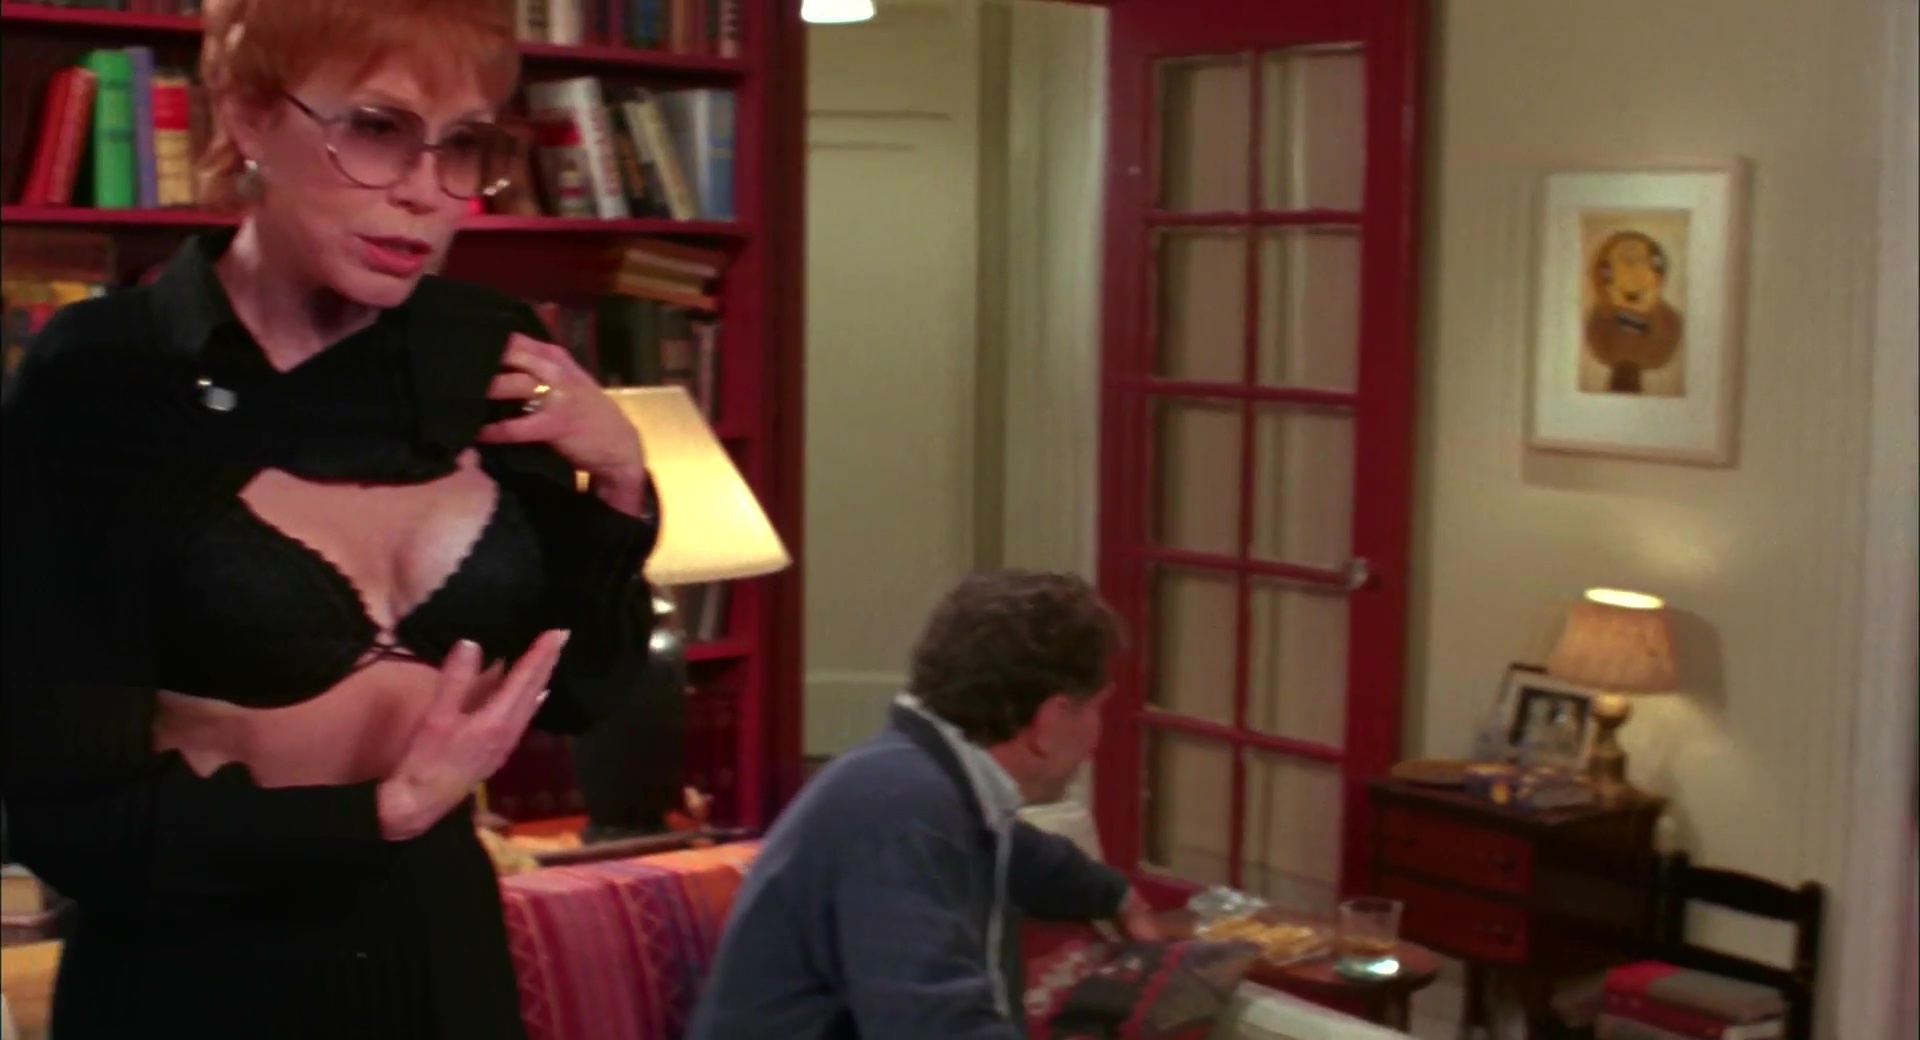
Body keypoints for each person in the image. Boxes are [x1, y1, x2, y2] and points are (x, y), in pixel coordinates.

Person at [0, 1, 659, 1036]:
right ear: (248, 116)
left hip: (443, 965)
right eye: (377, 127)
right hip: (195, 980)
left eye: (463, 145)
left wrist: (620, 483)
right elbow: (67, 815)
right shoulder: (102, 376)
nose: (425, 191)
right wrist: (380, 812)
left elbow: (581, 691)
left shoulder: (488, 349)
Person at [687, 570, 1159, 1040]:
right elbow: (933, 1024)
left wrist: (1114, 894)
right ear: (1049, 720)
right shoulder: (896, 810)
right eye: (1096, 707)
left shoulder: (924, 785)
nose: (1097, 735)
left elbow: (1019, 853)